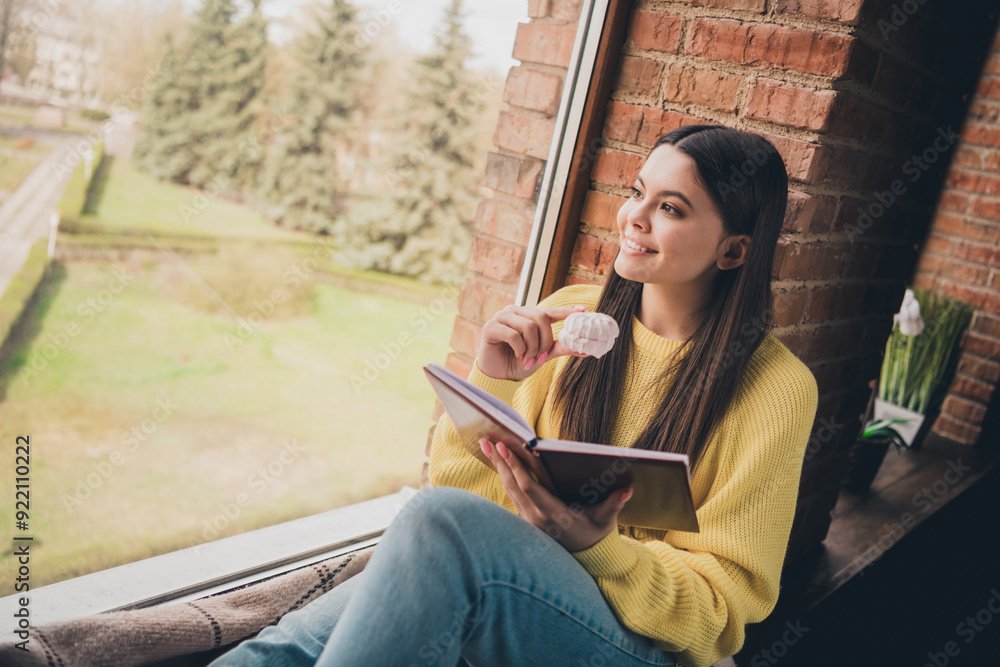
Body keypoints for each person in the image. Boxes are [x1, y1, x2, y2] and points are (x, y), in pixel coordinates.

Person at [207, 124, 819, 667]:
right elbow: (457, 497)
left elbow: (723, 611)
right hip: (519, 590)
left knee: (433, 529)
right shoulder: (566, 316)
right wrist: (494, 378)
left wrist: (597, 548)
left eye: (672, 209)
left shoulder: (776, 390)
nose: (636, 216)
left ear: (734, 249)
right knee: (282, 650)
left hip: (647, 648)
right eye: (636, 193)